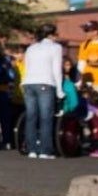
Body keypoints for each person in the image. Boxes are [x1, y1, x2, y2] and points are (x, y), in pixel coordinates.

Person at [21, 23, 64, 159]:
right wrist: (60, 90)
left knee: (31, 117)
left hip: (28, 83)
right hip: (45, 82)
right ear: (51, 34)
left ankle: (32, 149)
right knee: (46, 118)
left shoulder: (31, 48)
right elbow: (57, 70)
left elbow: (26, 67)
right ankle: (45, 150)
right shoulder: (55, 47)